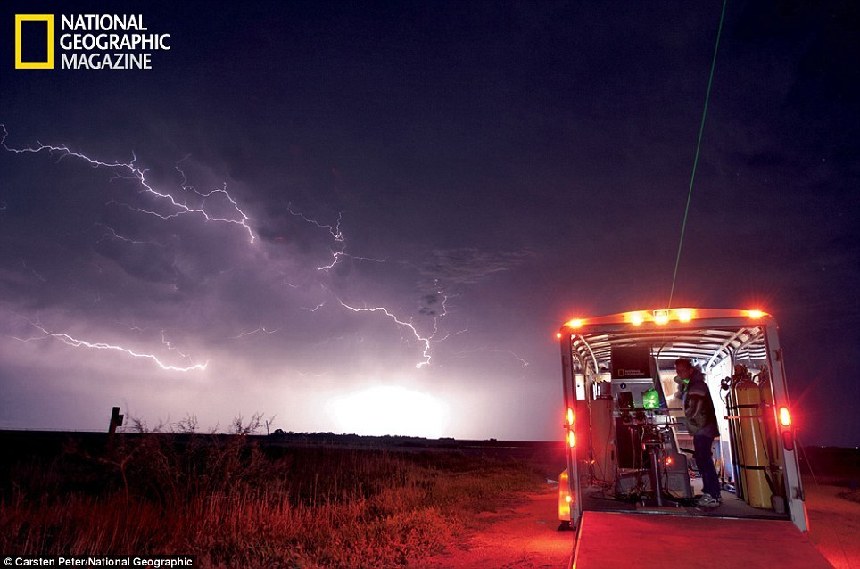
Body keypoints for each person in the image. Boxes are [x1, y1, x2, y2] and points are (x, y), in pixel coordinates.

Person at [675, 358, 721, 507]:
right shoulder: (692, 385)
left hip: (703, 428)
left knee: (704, 460)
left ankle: (712, 495)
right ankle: (711, 492)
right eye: (677, 371)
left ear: (690, 370)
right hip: (702, 428)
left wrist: (692, 425)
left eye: (682, 370)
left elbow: (693, 410)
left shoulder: (697, 386)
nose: (679, 374)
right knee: (703, 460)